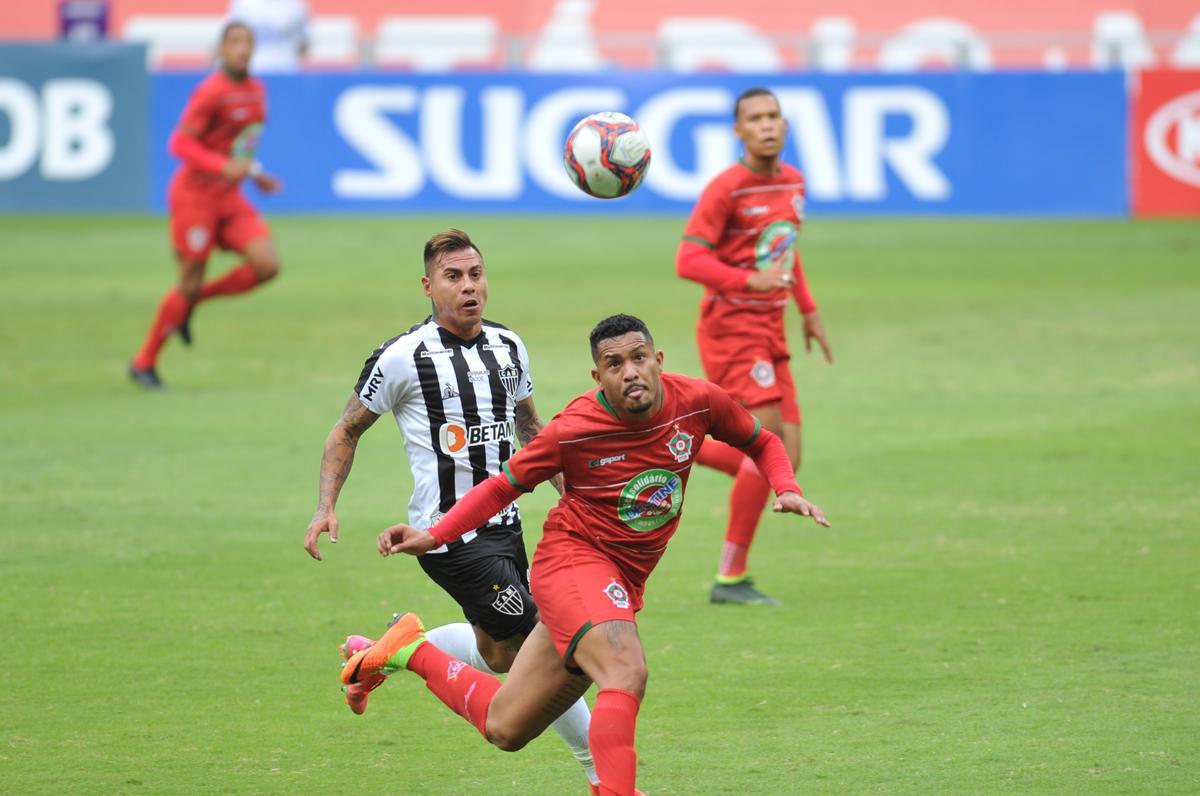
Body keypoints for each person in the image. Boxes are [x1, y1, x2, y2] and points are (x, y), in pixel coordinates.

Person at [340, 314, 830, 796]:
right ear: (598, 377)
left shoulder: (698, 402)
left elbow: (762, 440)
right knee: (624, 668)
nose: (630, 371)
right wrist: (435, 534)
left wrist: (785, 486)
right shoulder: (574, 428)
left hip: (624, 576)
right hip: (573, 562)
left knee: (505, 727)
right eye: (614, 364)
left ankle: (408, 648)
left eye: (639, 358)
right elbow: (502, 487)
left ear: (658, 360)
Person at [302, 229, 598, 790]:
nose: (469, 287)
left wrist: (577, 499)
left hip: (507, 526)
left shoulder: (509, 345)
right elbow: (346, 429)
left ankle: (384, 653)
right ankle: (600, 771)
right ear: (428, 286)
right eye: (453, 277)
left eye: (476, 274)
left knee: (498, 652)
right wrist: (325, 507)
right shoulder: (402, 357)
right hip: (446, 537)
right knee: (547, 646)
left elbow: (533, 429)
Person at [675, 86, 834, 605]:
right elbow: (688, 261)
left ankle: (684, 442)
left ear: (785, 126)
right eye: (755, 118)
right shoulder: (726, 189)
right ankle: (730, 579)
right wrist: (750, 283)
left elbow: (786, 253)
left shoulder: (793, 182)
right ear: (738, 131)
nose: (767, 125)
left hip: (772, 327)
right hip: (732, 328)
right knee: (768, 446)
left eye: (774, 116)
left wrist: (806, 309)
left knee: (788, 456)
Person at [129, 21, 282, 389]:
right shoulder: (210, 92)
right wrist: (220, 166)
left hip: (228, 195)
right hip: (194, 195)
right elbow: (179, 144)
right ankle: (144, 362)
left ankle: (193, 302)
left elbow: (241, 145)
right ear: (221, 49)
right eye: (234, 42)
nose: (242, 49)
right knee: (189, 279)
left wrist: (254, 172)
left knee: (267, 265)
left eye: (248, 42)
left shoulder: (257, 91)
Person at [227, 0, 309, 73]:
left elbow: (303, 43)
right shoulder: (242, 4)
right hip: (251, 70)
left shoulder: (296, 4)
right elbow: (231, 38)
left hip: (286, 69)